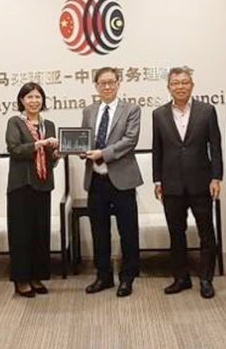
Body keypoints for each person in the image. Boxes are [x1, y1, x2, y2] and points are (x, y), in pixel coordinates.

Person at [152, 67, 222, 298]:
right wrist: (157, 180)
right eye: (175, 83)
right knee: (176, 233)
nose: (180, 86)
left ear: (192, 85)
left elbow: (215, 146)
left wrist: (216, 177)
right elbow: (157, 149)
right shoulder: (159, 114)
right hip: (171, 184)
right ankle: (181, 278)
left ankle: (206, 279)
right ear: (169, 87)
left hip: (201, 182)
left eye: (184, 82)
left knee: (206, 233)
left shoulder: (206, 111)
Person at [82, 67, 143, 297]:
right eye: (102, 83)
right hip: (96, 180)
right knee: (99, 231)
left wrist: (102, 154)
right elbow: (85, 138)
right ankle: (103, 276)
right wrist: (81, 149)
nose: (107, 86)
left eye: (111, 82)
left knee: (128, 231)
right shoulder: (89, 110)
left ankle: (127, 278)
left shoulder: (132, 109)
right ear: (96, 86)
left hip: (122, 180)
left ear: (118, 83)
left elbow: (130, 140)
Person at [5, 82, 59, 297]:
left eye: (37, 97)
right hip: (21, 185)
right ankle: (21, 280)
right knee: (21, 234)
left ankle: (37, 276)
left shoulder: (49, 125)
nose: (34, 101)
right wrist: (40, 144)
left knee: (40, 233)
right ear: (22, 100)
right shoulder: (15, 122)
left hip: (43, 184)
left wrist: (56, 154)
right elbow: (15, 149)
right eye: (29, 97)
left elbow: (50, 158)